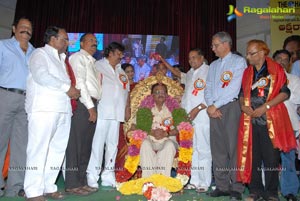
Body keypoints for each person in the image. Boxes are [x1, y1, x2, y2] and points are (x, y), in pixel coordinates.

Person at [24, 26, 80, 201]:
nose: (67, 43)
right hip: (44, 109)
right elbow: (42, 76)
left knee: (57, 151)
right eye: (64, 39)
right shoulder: (40, 54)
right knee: (38, 149)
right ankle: (33, 191)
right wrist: (68, 88)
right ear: (52, 39)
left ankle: (49, 186)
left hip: (63, 110)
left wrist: (70, 94)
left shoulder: (62, 60)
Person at [237, 40, 297, 201]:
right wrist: (243, 106)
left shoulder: (276, 70)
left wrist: (266, 107)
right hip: (250, 121)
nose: (248, 56)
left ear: (263, 53)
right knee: (253, 156)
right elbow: (241, 93)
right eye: (247, 53)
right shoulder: (247, 72)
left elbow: (285, 93)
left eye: (252, 53)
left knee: (271, 158)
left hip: (270, 120)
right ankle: (255, 191)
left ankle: (271, 193)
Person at [204, 31, 246, 200]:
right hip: (214, 110)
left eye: (215, 45)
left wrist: (215, 105)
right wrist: (210, 106)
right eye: (212, 45)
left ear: (226, 44)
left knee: (234, 149)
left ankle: (237, 187)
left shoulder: (238, 62)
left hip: (231, 107)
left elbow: (234, 88)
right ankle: (222, 186)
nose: (212, 48)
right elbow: (208, 88)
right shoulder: (213, 65)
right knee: (218, 150)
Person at [86, 42, 129, 189]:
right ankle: (92, 175)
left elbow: (126, 92)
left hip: (117, 114)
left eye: (122, 54)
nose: (121, 56)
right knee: (97, 144)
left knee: (113, 145)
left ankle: (108, 176)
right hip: (102, 112)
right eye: (119, 53)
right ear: (110, 53)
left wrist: (127, 108)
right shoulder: (98, 66)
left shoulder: (121, 71)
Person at [0, 17, 34, 197]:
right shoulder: (3, 45)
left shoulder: (35, 52)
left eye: (29, 28)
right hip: (5, 95)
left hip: (26, 101)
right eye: (22, 27)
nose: (26, 30)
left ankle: (15, 187)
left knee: (22, 145)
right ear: (14, 29)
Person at [64, 33, 102, 195]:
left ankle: (81, 181)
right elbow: (79, 83)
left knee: (86, 146)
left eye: (96, 41)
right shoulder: (78, 57)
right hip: (83, 104)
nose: (94, 43)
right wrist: (90, 107)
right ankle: (72, 184)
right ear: (81, 43)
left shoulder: (92, 62)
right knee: (75, 145)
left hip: (91, 103)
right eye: (91, 41)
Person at [180, 48, 211, 193]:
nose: (191, 61)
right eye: (189, 58)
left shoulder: (209, 71)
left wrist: (197, 109)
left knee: (203, 149)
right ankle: (195, 180)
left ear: (201, 57)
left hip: (203, 116)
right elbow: (187, 96)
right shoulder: (190, 73)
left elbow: (211, 95)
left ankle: (205, 182)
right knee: (193, 150)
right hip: (188, 117)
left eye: (194, 57)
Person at [273, 49, 300, 201]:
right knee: (268, 160)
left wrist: (281, 87)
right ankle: (269, 190)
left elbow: (295, 98)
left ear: (290, 63)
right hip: (268, 124)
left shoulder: (294, 79)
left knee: (288, 160)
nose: (282, 61)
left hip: (288, 125)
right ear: (273, 61)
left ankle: (289, 191)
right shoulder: (265, 80)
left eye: (285, 59)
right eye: (279, 58)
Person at [139, 83, 178, 178]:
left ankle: (162, 181)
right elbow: (139, 125)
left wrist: (166, 133)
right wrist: (152, 132)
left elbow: (181, 128)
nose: (160, 94)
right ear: (152, 95)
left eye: (163, 92)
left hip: (167, 139)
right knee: (144, 144)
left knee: (169, 146)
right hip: (150, 138)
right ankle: (149, 181)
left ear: (167, 95)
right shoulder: (145, 109)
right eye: (157, 92)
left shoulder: (175, 109)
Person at [115, 63, 136, 174]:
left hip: (135, 119)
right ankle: (120, 171)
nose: (130, 73)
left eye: (132, 71)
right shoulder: (121, 87)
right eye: (127, 71)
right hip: (123, 118)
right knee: (122, 143)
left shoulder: (139, 86)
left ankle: (134, 171)